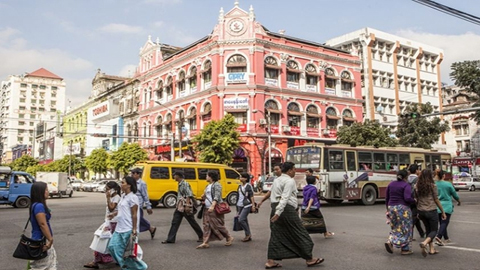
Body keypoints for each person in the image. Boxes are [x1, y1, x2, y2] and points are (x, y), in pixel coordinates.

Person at [265, 162, 324, 269]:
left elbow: (274, 197)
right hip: (285, 209)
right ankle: (309, 259)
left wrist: (277, 211)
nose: (295, 171)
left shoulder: (277, 180)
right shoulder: (289, 181)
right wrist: (279, 212)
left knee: (276, 234)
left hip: (275, 207)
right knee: (300, 232)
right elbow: (285, 197)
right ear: (289, 171)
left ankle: (270, 261)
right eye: (294, 169)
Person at [107, 177, 148, 269]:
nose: (121, 184)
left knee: (125, 252)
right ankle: (134, 266)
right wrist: (114, 214)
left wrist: (134, 229)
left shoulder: (133, 197)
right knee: (112, 247)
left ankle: (129, 267)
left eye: (123, 183)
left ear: (129, 185)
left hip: (127, 228)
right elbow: (123, 210)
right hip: (119, 227)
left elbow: (134, 214)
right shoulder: (123, 196)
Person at [84, 181, 121, 269]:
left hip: (113, 223)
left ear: (113, 190)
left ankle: (96, 261)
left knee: (101, 240)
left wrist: (108, 198)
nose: (106, 191)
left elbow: (111, 208)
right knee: (107, 242)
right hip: (109, 221)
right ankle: (115, 259)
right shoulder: (113, 197)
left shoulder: (117, 197)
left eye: (108, 189)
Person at [162, 171, 203, 244]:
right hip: (180, 206)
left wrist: (187, 205)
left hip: (184, 206)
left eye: (174, 175)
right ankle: (170, 239)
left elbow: (188, 194)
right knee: (175, 222)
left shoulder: (185, 183)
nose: (173, 177)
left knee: (192, 222)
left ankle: (201, 236)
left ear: (178, 176)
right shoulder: (180, 183)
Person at [196, 170, 234, 249]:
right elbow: (207, 195)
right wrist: (203, 196)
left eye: (207, 176)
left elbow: (217, 196)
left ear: (211, 177)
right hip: (206, 207)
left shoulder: (217, 185)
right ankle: (205, 242)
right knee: (206, 225)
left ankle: (229, 237)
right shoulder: (208, 186)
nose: (206, 177)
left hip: (214, 208)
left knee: (217, 225)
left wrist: (212, 206)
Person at [415, 169, 447, 257]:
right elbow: (436, 199)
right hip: (431, 210)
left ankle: (431, 249)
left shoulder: (417, 186)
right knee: (434, 231)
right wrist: (443, 211)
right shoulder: (432, 186)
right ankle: (424, 243)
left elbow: (416, 199)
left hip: (421, 211)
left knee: (428, 230)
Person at [384, 170, 415, 255]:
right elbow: (407, 198)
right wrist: (414, 201)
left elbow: (387, 198)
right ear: (406, 177)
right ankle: (405, 249)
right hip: (403, 208)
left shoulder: (391, 184)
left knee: (395, 227)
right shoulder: (406, 185)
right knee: (405, 228)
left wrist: (388, 209)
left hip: (391, 207)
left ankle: (390, 241)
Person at [29, 182, 57, 270]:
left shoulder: (35, 205)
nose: (48, 192)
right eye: (46, 190)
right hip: (41, 240)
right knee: (43, 266)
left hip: (37, 238)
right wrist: (50, 239)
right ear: (40, 192)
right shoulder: (39, 206)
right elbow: (42, 224)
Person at [434, 170, 461, 246]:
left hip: (437, 205)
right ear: (443, 176)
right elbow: (454, 194)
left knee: (442, 222)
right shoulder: (448, 184)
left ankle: (446, 238)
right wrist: (459, 201)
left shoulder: (435, 184)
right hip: (447, 206)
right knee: (445, 222)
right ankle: (439, 236)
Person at [130, 168, 156, 239]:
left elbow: (145, 195)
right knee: (134, 219)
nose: (132, 175)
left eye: (133, 173)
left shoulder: (142, 183)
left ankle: (149, 228)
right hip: (131, 204)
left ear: (138, 174)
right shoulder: (131, 182)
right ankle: (151, 228)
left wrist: (148, 206)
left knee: (138, 219)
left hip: (139, 204)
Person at [235, 173, 256, 242]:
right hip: (239, 205)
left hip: (247, 205)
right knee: (244, 220)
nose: (240, 178)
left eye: (242, 177)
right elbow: (238, 196)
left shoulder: (248, 186)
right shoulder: (239, 186)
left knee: (241, 219)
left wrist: (253, 205)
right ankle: (247, 234)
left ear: (246, 179)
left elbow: (251, 196)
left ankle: (248, 234)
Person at [407, 164, 425, 240]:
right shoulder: (419, 179)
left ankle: (421, 232)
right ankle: (409, 235)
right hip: (416, 200)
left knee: (415, 215)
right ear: (417, 170)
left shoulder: (406, 179)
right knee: (414, 217)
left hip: (407, 200)